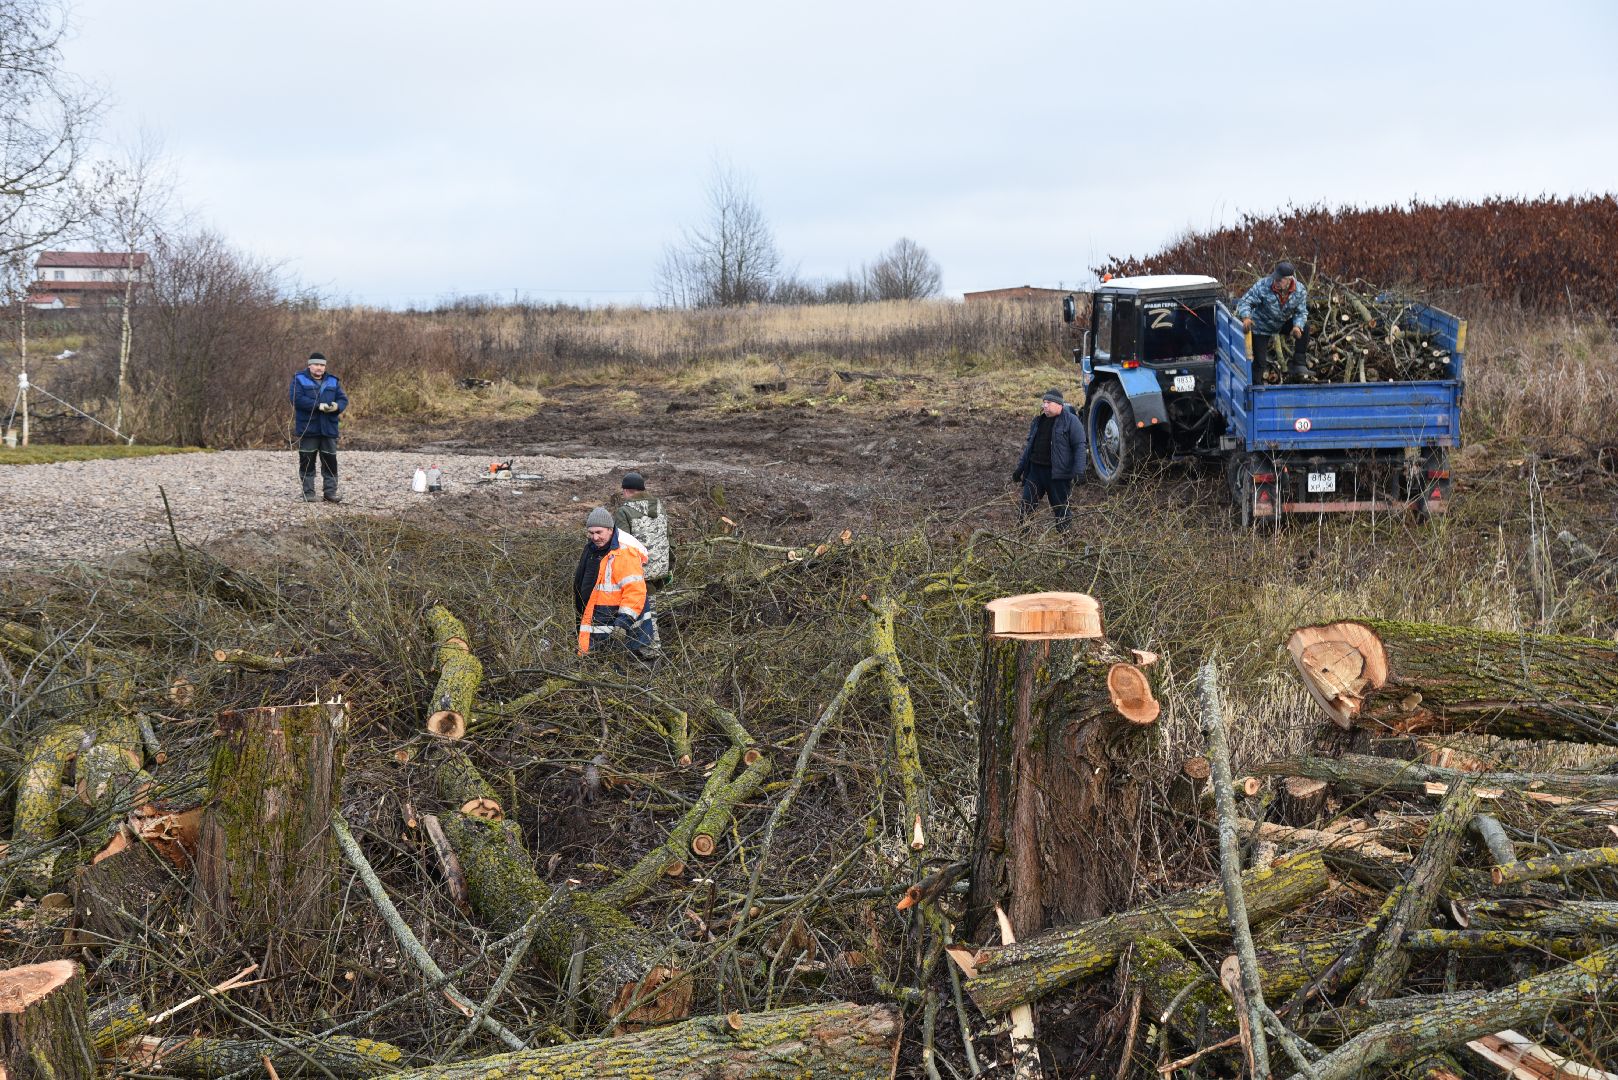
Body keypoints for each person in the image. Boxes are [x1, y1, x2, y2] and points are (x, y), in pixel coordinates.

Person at [575, 506, 659, 660]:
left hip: (619, 624)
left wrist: (622, 624)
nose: (594, 537)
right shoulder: (592, 549)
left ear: (610, 529)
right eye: (591, 533)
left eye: (599, 532)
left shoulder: (624, 553)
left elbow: (635, 592)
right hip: (600, 619)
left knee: (625, 666)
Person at [1012, 389, 1087, 530]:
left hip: (1057, 475)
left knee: (1061, 511)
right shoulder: (1037, 421)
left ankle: (1066, 540)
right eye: (1044, 402)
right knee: (1025, 508)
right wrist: (1020, 468)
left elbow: (1079, 447)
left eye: (1048, 402)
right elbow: (1029, 448)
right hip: (1035, 473)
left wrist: (1079, 471)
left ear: (1059, 405)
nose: (1045, 406)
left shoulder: (1071, 421)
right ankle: (1022, 540)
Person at [1236, 261, 1311, 382]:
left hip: (1281, 323)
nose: (1276, 282)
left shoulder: (1300, 290)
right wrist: (1246, 317)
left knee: (1305, 327)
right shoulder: (1263, 285)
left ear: (1289, 280)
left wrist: (1297, 326)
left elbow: (1301, 312)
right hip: (1261, 326)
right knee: (1260, 362)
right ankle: (1256, 389)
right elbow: (1245, 302)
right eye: (1275, 279)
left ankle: (1299, 364)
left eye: (1279, 280)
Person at [289, 351, 348, 503]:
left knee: (330, 461)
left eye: (322, 365)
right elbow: (296, 399)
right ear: (309, 365)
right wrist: (318, 406)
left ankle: (330, 493)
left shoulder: (333, 381)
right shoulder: (299, 379)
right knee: (307, 461)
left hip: (329, 429)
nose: (319, 368)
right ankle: (308, 493)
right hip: (309, 429)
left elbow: (343, 399)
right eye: (316, 364)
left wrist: (337, 406)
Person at [613, 471, 672, 585]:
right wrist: (669, 568)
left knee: (641, 602)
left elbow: (622, 545)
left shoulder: (624, 511)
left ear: (625, 491)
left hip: (636, 574)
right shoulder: (660, 508)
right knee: (652, 601)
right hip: (660, 571)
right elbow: (670, 539)